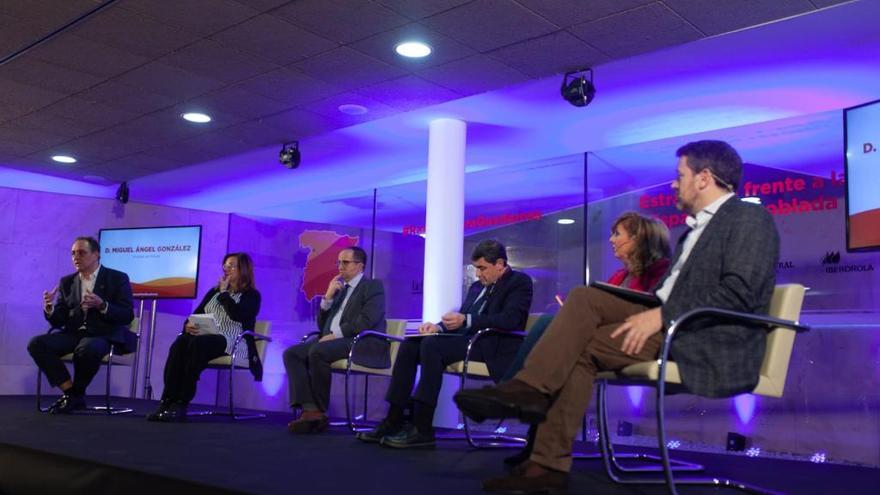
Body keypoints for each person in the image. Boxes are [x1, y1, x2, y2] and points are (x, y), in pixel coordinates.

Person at [454, 140, 780, 493]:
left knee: (582, 321)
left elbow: (739, 293)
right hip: (674, 324)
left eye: (679, 175)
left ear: (703, 178)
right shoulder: (693, 232)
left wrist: (660, 316)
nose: (674, 183)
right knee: (583, 303)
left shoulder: (748, 218)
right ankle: (544, 463)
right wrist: (656, 312)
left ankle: (528, 398)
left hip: (705, 338)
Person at [500, 212, 671, 468]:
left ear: (638, 238)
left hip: (632, 342)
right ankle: (534, 438)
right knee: (558, 350)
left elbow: (647, 313)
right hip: (601, 338)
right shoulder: (619, 275)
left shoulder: (661, 273)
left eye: (617, 234)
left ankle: (512, 391)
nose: (612, 240)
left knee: (551, 330)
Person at [356, 239, 533, 449]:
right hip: (469, 341)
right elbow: (463, 317)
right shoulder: (478, 287)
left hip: (493, 345)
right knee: (411, 345)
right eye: (476, 268)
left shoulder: (519, 282)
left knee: (432, 346)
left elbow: (510, 320)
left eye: (482, 268)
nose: (478, 274)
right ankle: (393, 419)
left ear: (500, 264)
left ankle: (422, 427)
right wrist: (438, 327)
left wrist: (466, 321)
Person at [284, 246, 386, 433]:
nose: (340, 266)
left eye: (345, 262)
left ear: (359, 266)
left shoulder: (372, 286)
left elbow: (367, 320)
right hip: (332, 340)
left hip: (361, 341)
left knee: (318, 351)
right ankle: (311, 408)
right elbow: (322, 326)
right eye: (338, 262)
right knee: (292, 353)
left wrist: (336, 334)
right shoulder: (339, 289)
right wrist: (328, 298)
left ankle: (318, 411)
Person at [147, 252, 261, 422]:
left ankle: (181, 403)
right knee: (180, 343)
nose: (226, 268)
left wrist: (224, 293)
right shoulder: (213, 292)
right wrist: (188, 325)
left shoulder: (251, 295)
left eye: (231, 265)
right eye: (225, 265)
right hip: (206, 336)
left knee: (198, 344)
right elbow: (196, 314)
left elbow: (238, 315)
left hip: (233, 341)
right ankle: (167, 401)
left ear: (243, 269)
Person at [28, 236, 135, 414]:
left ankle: (75, 395)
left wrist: (102, 305)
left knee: (88, 347)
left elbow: (126, 314)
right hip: (74, 334)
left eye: (81, 253)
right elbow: (59, 320)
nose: (76, 257)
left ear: (96, 254)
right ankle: (71, 393)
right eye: (73, 254)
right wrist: (49, 309)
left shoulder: (117, 278)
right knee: (36, 343)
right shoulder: (67, 282)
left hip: (103, 334)